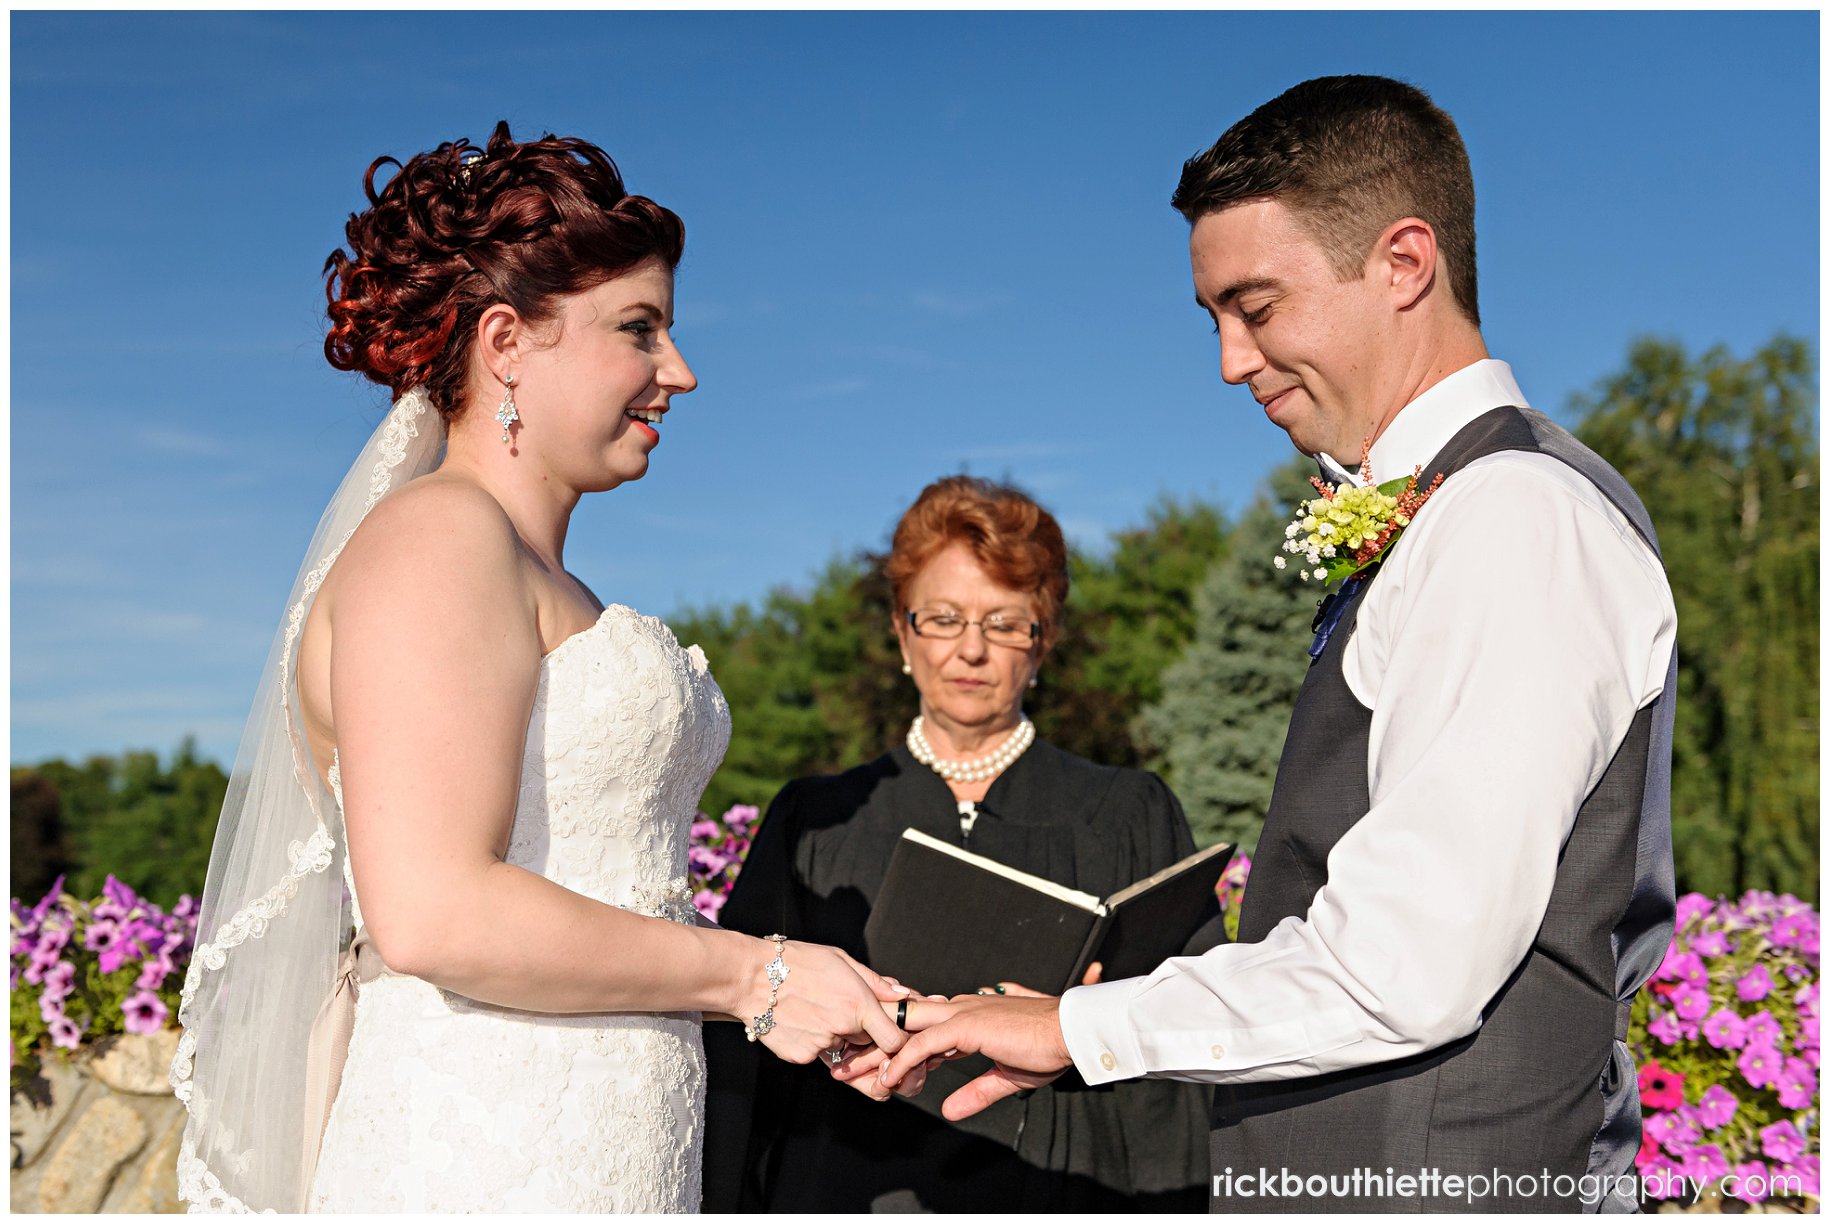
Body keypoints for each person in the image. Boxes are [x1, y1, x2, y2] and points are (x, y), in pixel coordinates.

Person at [884, 76, 1679, 1213]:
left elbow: (1408, 963)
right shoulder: (1453, 512)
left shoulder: (1515, 516)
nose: (1229, 360)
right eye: (1213, 316)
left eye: (1257, 306)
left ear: (1405, 263)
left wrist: (1077, 1027)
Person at [169, 122, 912, 1214]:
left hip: (611, 1136)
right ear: (508, 343)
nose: (682, 372)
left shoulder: (527, 569)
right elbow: (433, 912)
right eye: (640, 330)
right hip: (483, 1148)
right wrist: (757, 977)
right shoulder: (439, 541)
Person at [703, 474, 1220, 1212]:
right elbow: (743, 1039)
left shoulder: (1129, 811)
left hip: (1065, 1179)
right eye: (943, 618)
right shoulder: (816, 819)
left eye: (1006, 623)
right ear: (901, 631)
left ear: (1042, 643)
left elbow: (1189, 1027)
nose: (971, 650)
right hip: (855, 1180)